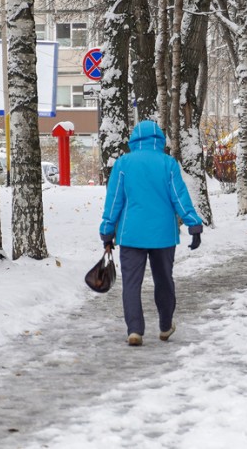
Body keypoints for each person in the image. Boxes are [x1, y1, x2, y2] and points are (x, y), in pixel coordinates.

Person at [99, 120, 203, 346]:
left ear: (134, 140)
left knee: (131, 284)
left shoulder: (123, 163)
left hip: (131, 234)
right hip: (163, 235)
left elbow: (114, 200)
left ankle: (135, 330)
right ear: (159, 140)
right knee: (164, 280)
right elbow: (179, 197)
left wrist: (107, 231)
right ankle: (165, 326)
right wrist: (193, 225)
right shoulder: (168, 163)